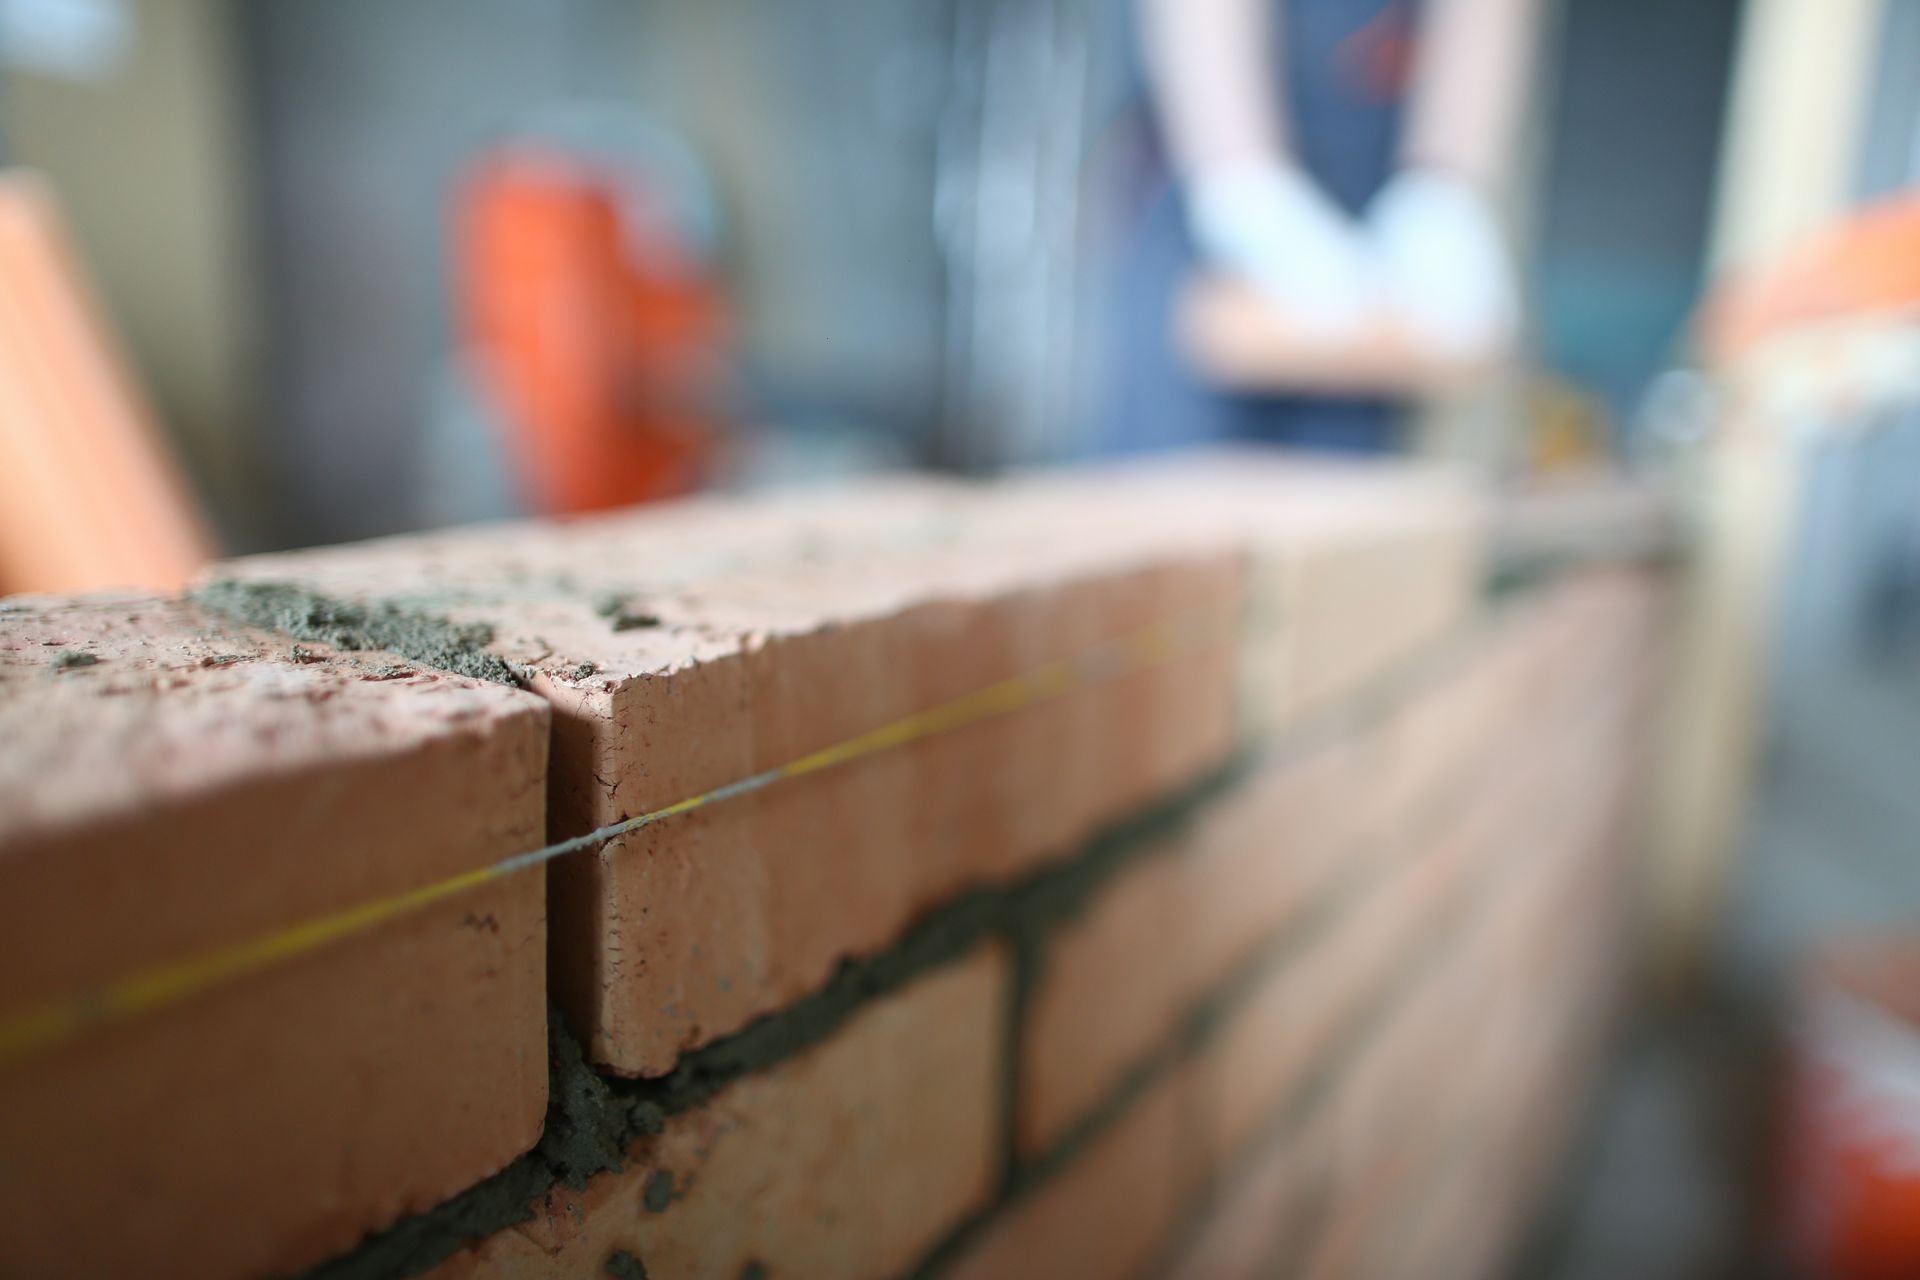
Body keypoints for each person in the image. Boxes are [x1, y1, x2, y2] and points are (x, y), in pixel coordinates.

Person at [1105, 0, 1538, 454]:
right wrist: (1246, 185)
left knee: (1352, 489)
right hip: (1205, 171)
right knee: (1175, 473)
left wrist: (1446, 192)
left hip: (1374, 205)